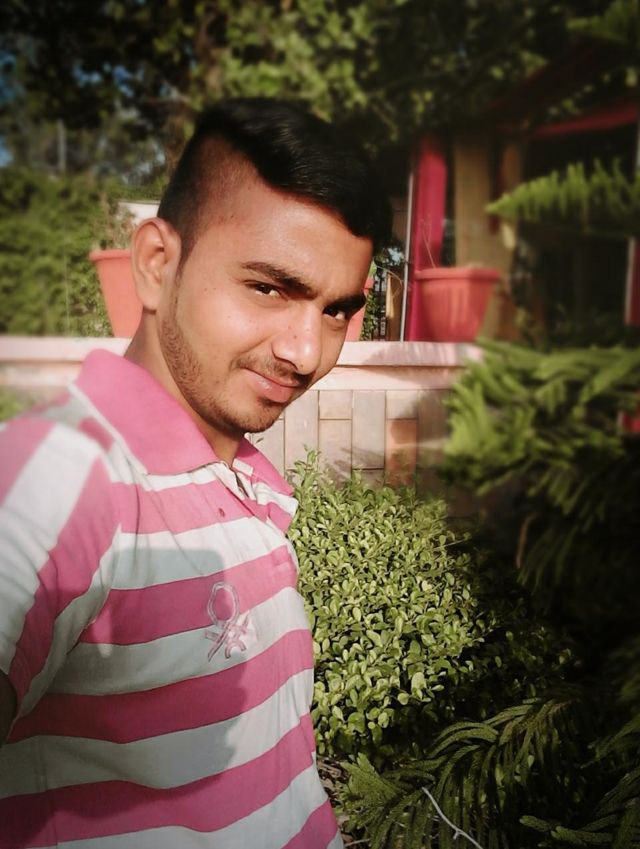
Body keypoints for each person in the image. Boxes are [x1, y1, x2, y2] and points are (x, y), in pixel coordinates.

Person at [0, 98, 391, 848]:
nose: (306, 352)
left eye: (336, 310)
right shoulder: (62, 475)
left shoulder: (242, 477)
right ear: (157, 265)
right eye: (269, 288)